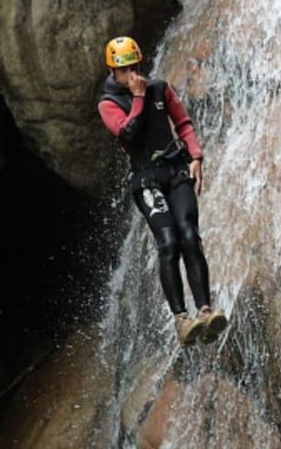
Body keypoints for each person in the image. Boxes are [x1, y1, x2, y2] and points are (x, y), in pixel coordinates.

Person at [97, 36, 228, 346]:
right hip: (146, 180)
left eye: (135, 66)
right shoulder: (108, 103)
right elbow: (129, 133)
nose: (131, 74)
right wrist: (138, 97)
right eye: (124, 69)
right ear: (113, 72)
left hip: (176, 171)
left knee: (189, 234)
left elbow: (182, 123)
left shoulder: (161, 88)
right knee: (168, 243)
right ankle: (181, 319)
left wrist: (195, 155)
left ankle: (206, 311)